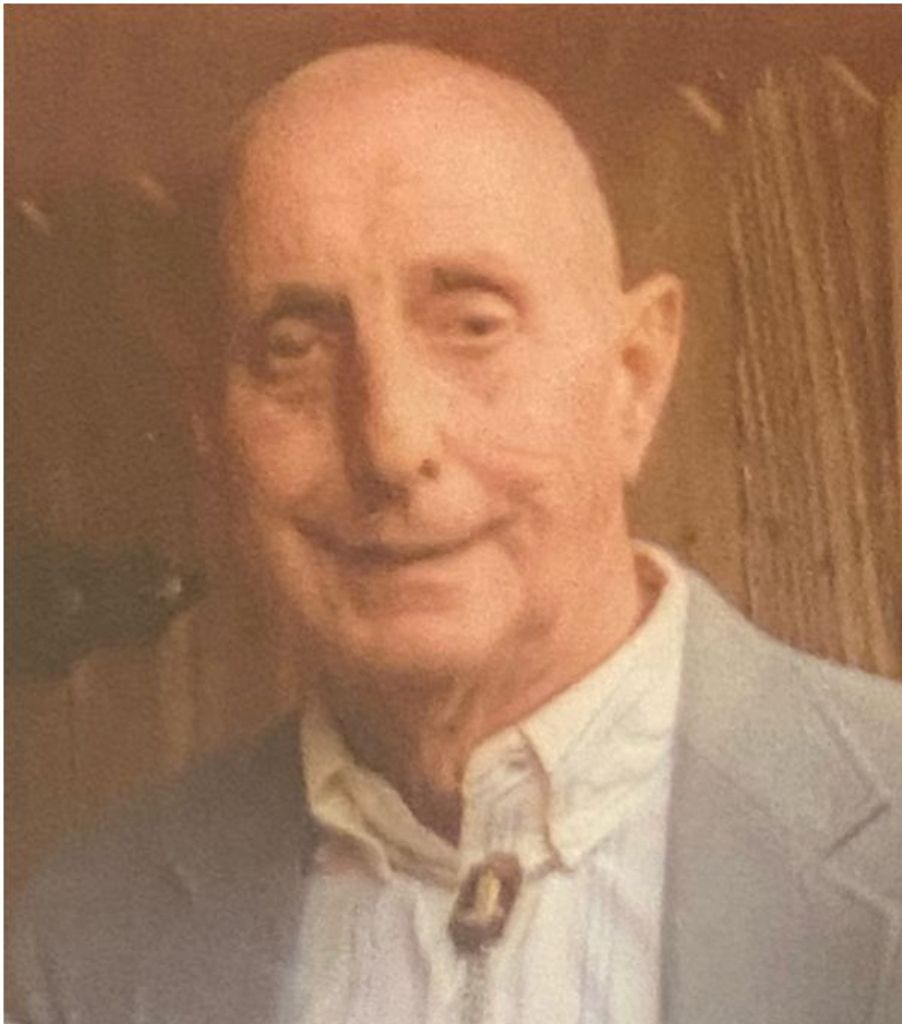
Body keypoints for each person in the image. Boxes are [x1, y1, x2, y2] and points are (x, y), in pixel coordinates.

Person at [10, 43, 902, 1024]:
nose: (391, 444)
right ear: (210, 431)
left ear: (634, 378)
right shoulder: (76, 944)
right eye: (294, 348)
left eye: (473, 325)